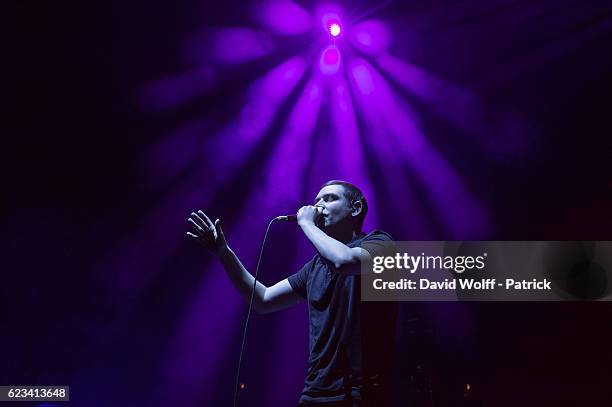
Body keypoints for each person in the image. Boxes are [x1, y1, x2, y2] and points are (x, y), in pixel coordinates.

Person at [187, 180, 397, 406]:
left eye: (329, 198)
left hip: (360, 395)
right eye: (317, 200)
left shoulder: (381, 244)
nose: (319, 206)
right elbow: (263, 299)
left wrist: (307, 225)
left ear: (355, 208)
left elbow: (345, 261)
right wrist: (224, 253)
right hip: (315, 393)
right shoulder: (315, 267)